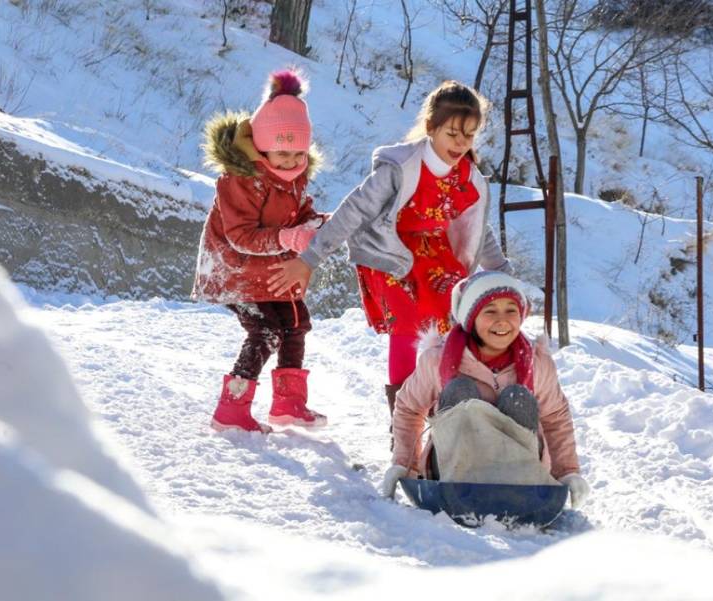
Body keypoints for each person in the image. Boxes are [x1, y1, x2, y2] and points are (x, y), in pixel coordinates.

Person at [265, 81, 512, 429]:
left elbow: (478, 229)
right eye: (453, 133)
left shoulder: (467, 178)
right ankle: (404, 421)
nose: (460, 143)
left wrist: (503, 274)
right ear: (431, 127)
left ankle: (447, 412)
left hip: (438, 259)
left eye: (469, 135)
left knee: (452, 327)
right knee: (408, 326)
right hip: (392, 254)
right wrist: (309, 259)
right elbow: (353, 210)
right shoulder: (400, 169)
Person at [378, 271, 591, 509]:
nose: (502, 320)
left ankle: (516, 489)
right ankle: (460, 485)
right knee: (460, 391)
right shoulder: (437, 360)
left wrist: (567, 472)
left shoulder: (536, 362)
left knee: (518, 398)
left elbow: (555, 418)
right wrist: (404, 465)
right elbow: (409, 408)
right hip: (453, 473)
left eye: (511, 310)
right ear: (471, 318)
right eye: (490, 311)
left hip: (520, 476)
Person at [193, 69, 328, 433]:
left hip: (268, 267)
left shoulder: (293, 176)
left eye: (299, 153)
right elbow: (240, 235)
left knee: (295, 322)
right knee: (266, 329)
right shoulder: (241, 179)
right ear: (263, 147)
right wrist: (287, 239)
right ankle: (231, 409)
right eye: (282, 153)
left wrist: (316, 223)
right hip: (233, 268)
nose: (291, 161)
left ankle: (288, 404)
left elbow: (299, 213)